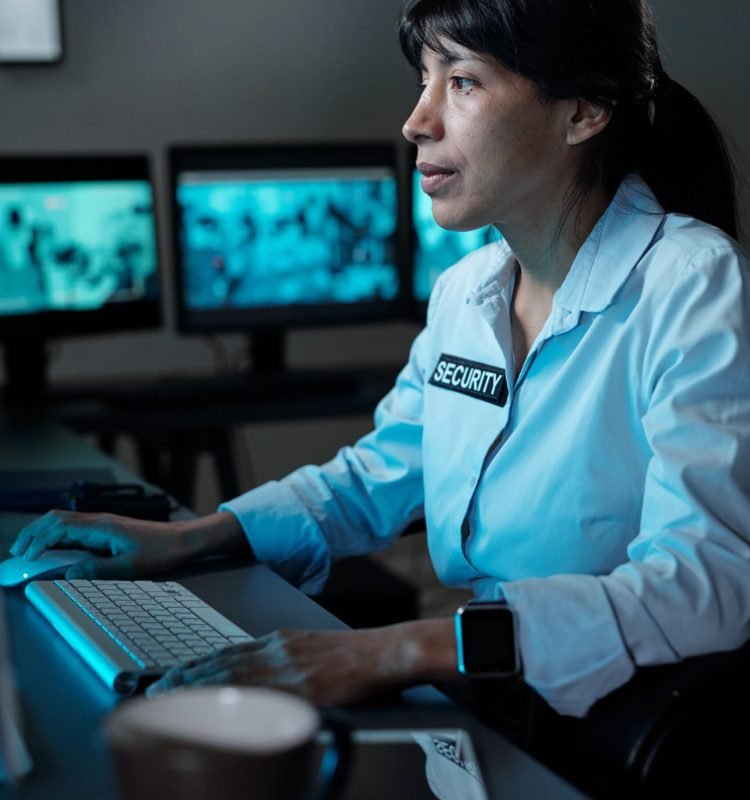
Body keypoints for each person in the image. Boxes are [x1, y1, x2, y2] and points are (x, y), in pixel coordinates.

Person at [11, 0, 750, 724]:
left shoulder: (691, 283)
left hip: (601, 717)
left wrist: (393, 651)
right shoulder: (468, 291)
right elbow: (381, 474)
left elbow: (706, 584)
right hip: (487, 685)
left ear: (584, 112)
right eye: (422, 79)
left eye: (461, 82)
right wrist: (191, 536)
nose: (416, 121)